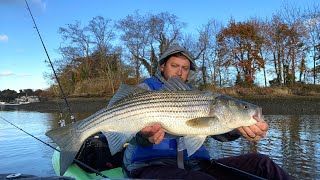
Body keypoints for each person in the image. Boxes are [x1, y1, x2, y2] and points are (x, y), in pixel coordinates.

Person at [122, 44, 292, 180]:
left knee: (262, 163)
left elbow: (219, 132)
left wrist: (239, 129)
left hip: (197, 163)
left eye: (185, 68)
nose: (179, 72)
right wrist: (143, 135)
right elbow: (124, 129)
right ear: (162, 66)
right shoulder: (144, 90)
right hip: (150, 164)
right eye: (174, 66)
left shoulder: (198, 95)